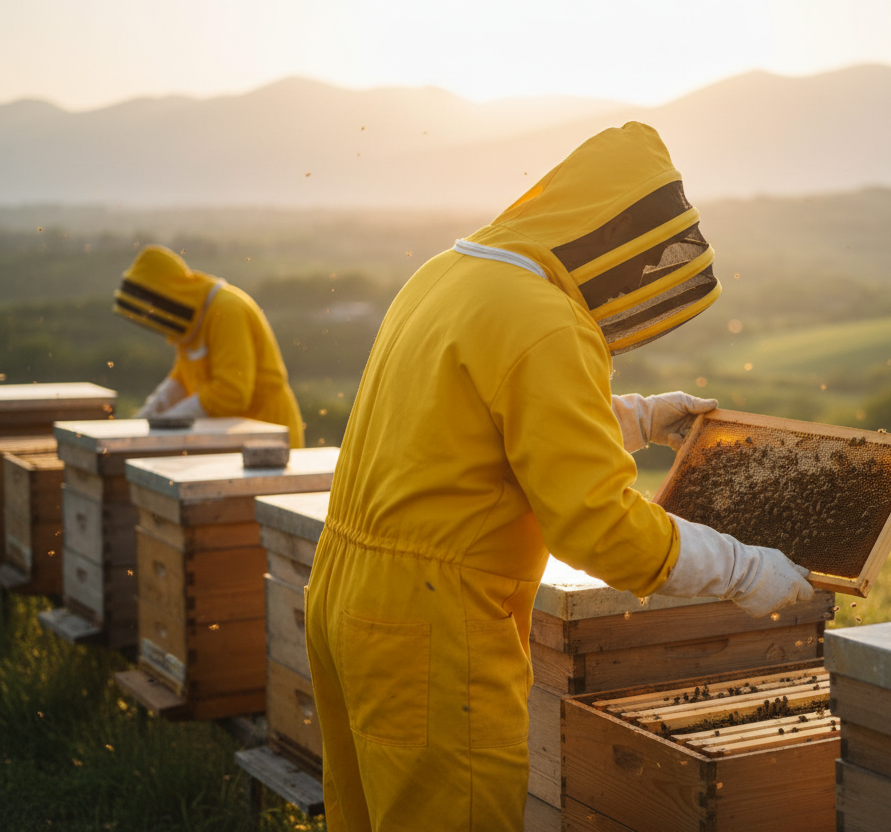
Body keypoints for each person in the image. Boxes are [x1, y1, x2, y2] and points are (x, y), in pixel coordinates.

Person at [304, 122, 812, 831]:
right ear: (611, 237)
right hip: (434, 625)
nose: (635, 287)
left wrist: (637, 417)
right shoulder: (544, 318)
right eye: (642, 266)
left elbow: (477, 424)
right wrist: (742, 569)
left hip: (345, 593)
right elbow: (600, 529)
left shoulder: (450, 275)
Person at [112, 244, 305, 447]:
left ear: (165, 295)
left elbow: (232, 393)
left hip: (269, 434)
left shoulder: (227, 311)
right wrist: (147, 415)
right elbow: (182, 379)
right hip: (236, 436)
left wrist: (169, 421)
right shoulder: (195, 322)